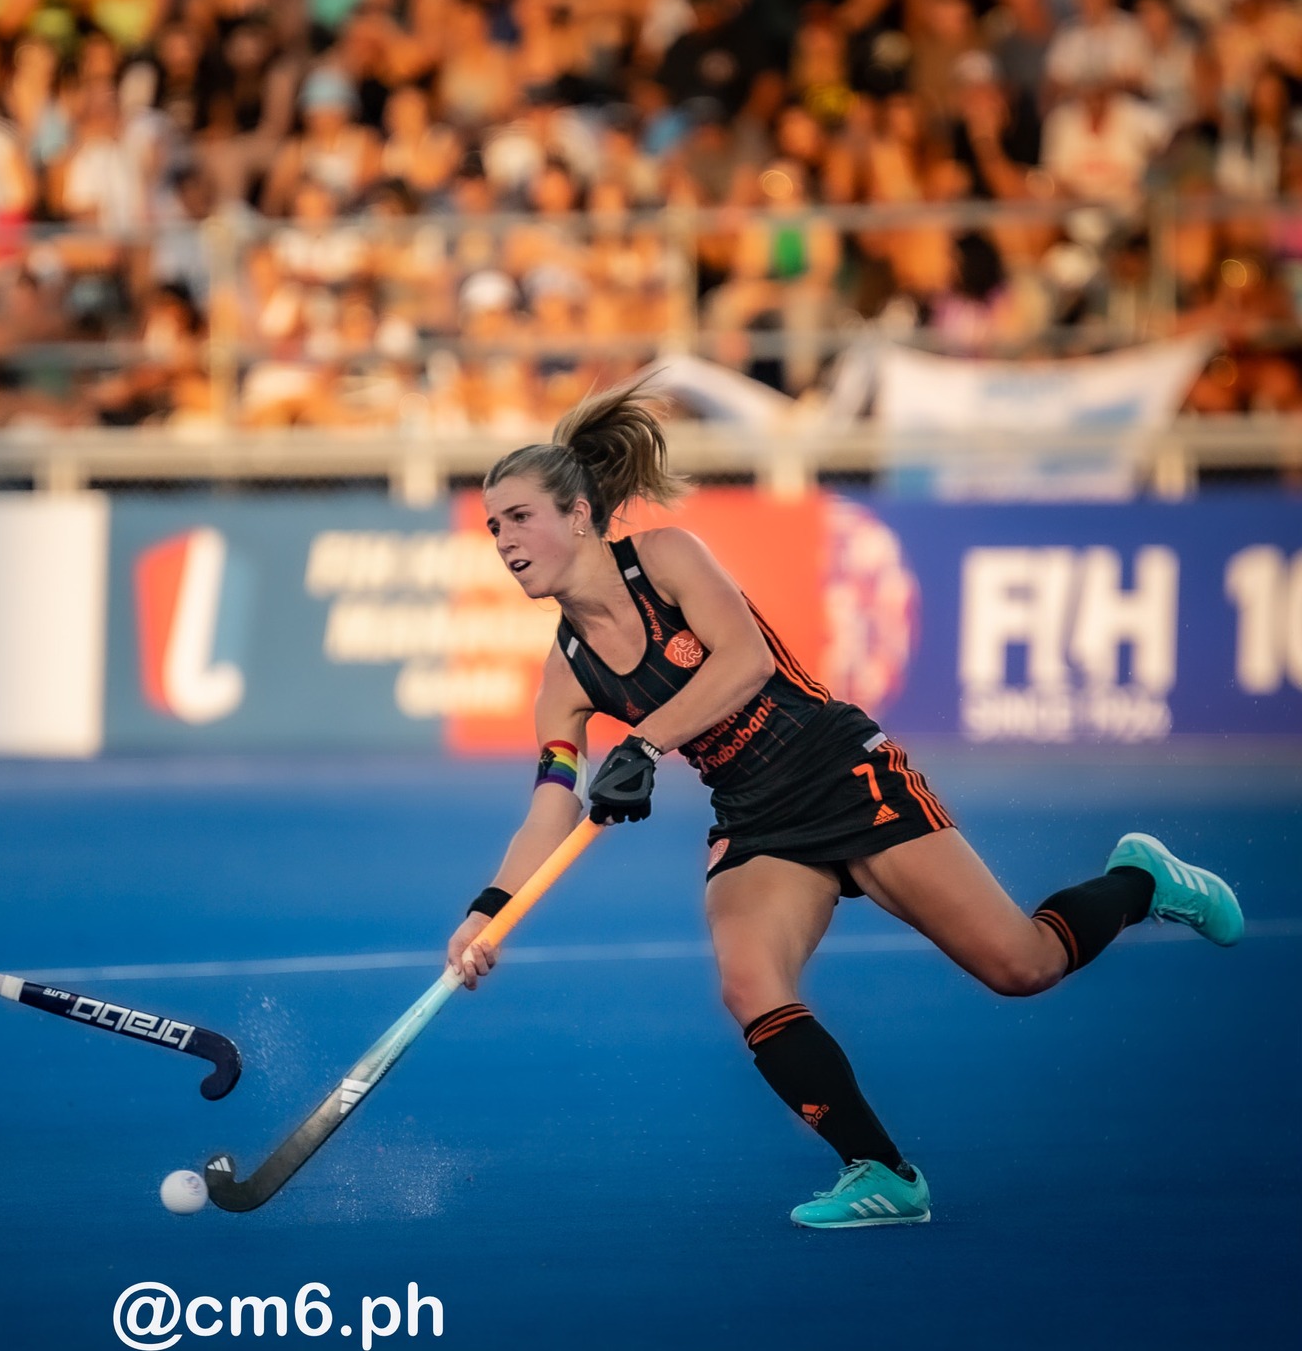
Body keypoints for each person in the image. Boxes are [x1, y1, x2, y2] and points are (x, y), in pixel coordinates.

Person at [443, 385, 1243, 1229]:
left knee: (1023, 966)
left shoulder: (666, 559)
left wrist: (643, 744)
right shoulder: (564, 676)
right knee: (748, 979)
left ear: (577, 516)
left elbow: (745, 662)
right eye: (493, 525)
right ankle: (883, 1170)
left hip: (837, 769)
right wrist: (488, 911)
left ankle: (1141, 879)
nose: (503, 540)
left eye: (519, 517)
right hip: (755, 819)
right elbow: (550, 808)